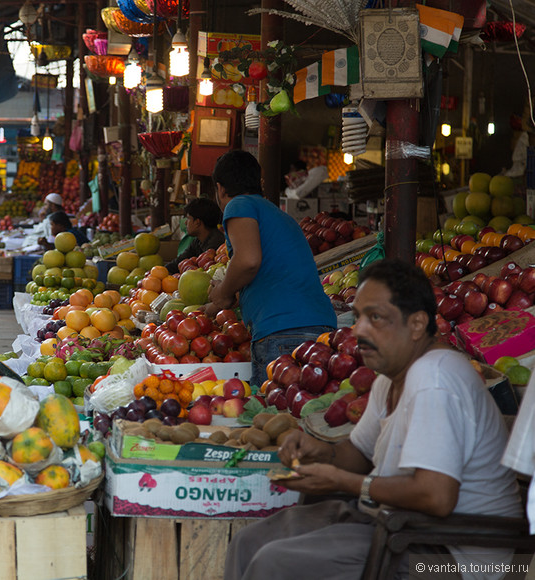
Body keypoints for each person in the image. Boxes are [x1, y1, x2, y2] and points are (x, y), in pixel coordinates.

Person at [224, 258, 522, 580]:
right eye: (359, 316)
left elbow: (436, 497)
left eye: (376, 318)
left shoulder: (435, 378)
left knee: (275, 562)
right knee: (248, 542)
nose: (359, 330)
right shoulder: (387, 379)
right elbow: (360, 453)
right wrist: (319, 451)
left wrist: (343, 483)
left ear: (417, 325)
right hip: (398, 525)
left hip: (448, 551)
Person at [206, 150, 335, 386]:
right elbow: (266, 274)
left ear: (221, 189)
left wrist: (223, 291)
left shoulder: (238, 205)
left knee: (274, 417)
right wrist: (219, 301)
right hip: (317, 327)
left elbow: (248, 261)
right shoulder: (275, 214)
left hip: (284, 332)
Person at [165, 198, 226, 274]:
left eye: (188, 218)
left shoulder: (216, 243)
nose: (185, 223)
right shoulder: (197, 241)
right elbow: (178, 262)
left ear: (197, 222)